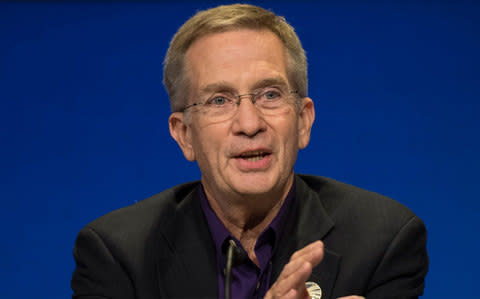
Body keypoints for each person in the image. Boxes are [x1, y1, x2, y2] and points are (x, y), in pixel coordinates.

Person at [71, 4, 428, 299]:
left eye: (270, 95)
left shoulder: (383, 241)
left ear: (303, 121)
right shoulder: (118, 256)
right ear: (184, 135)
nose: (249, 123)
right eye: (219, 100)